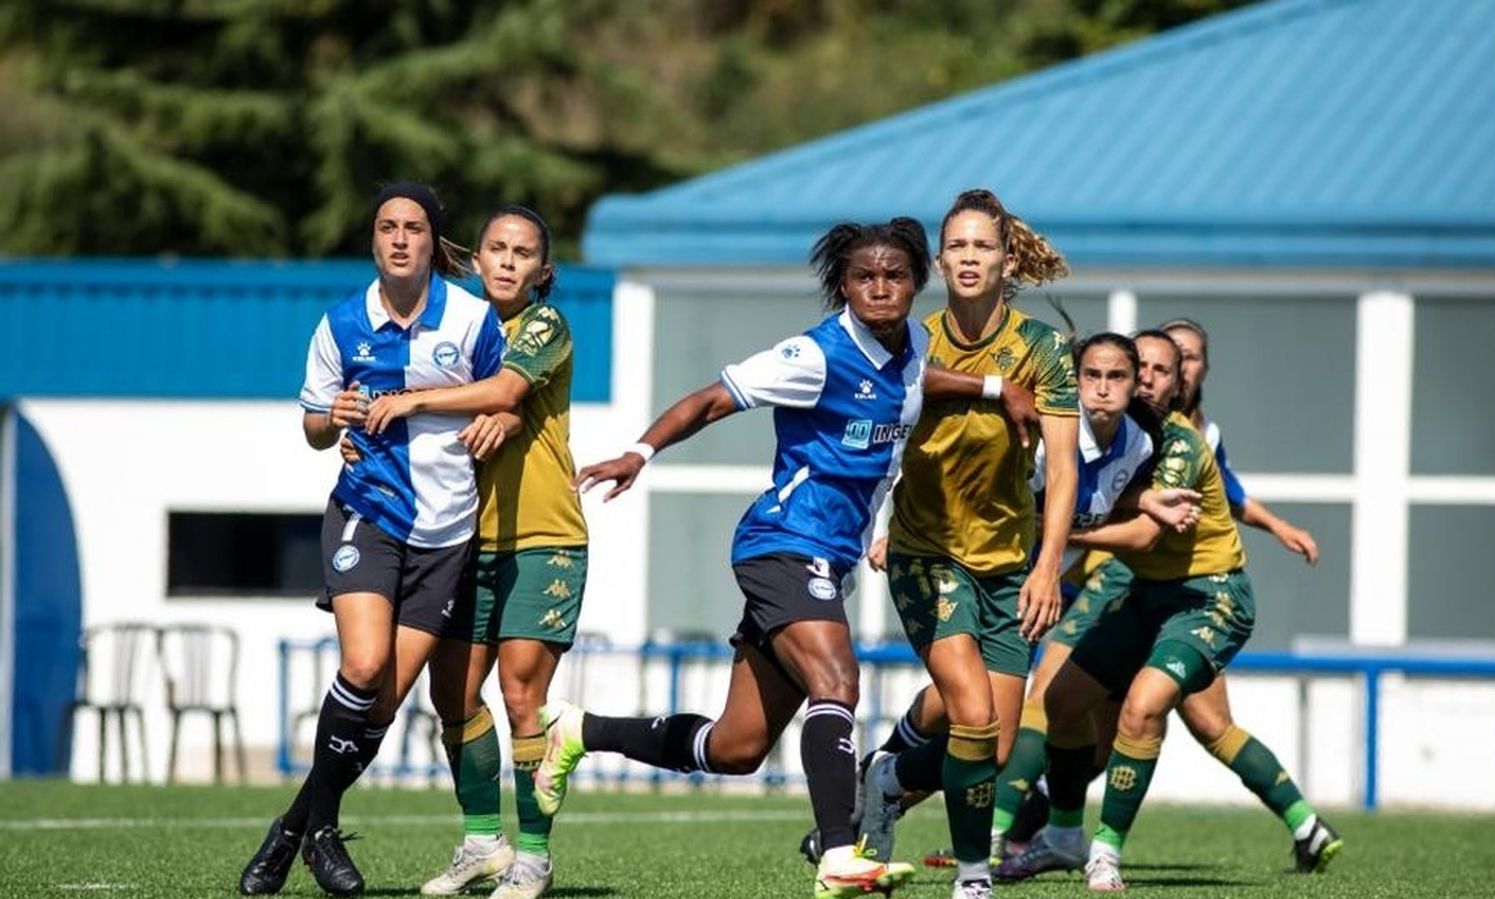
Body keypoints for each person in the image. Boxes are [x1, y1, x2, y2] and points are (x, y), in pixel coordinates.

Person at [530, 218, 1035, 899]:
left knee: (736, 747)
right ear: (844, 286)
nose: (880, 288)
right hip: (783, 544)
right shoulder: (816, 355)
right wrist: (639, 453)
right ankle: (837, 855)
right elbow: (713, 397)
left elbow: (922, 378)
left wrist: (996, 389)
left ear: (918, 281)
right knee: (839, 680)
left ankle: (577, 729)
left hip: (827, 558)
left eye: (894, 275)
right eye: (864, 277)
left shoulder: (913, 343)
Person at [994, 321, 1340, 884]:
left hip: (1209, 596)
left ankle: (1101, 851)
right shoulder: (1106, 435)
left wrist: (1051, 530)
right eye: (1140, 369)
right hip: (1142, 591)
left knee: (1146, 708)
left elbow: (1140, 535)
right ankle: (1060, 835)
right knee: (1061, 702)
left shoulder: (1179, 441)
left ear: (1178, 382)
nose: (1147, 380)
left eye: (1160, 370)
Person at [240, 182, 505, 898]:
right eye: (387, 226)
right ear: (373, 240)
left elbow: (505, 396)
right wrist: (334, 418)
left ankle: (296, 828)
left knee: (380, 705)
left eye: (413, 228)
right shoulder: (340, 324)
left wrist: (500, 423)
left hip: (448, 534)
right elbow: (313, 428)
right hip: (370, 512)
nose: (398, 239)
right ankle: (323, 831)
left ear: (432, 241)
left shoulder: (475, 320)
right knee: (362, 665)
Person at [354, 205, 585, 899]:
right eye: (496, 248)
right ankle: (484, 841)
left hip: (544, 537)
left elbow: (507, 388)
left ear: (542, 271)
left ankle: (535, 859)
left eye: (523, 252)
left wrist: (412, 401)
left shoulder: (544, 324)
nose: (509, 260)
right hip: (462, 538)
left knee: (522, 694)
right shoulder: (458, 334)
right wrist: (363, 433)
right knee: (450, 692)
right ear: (475, 260)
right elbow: (450, 403)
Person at [855, 189, 1079, 899]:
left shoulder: (1042, 348)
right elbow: (879, 426)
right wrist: (877, 522)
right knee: (975, 716)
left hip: (1011, 561)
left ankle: (888, 779)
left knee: (998, 745)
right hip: (927, 551)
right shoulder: (912, 339)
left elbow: (1065, 470)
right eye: (958, 246)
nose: (970, 258)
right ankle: (974, 875)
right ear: (940, 260)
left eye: (983, 246)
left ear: (1007, 259)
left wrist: (1048, 567)